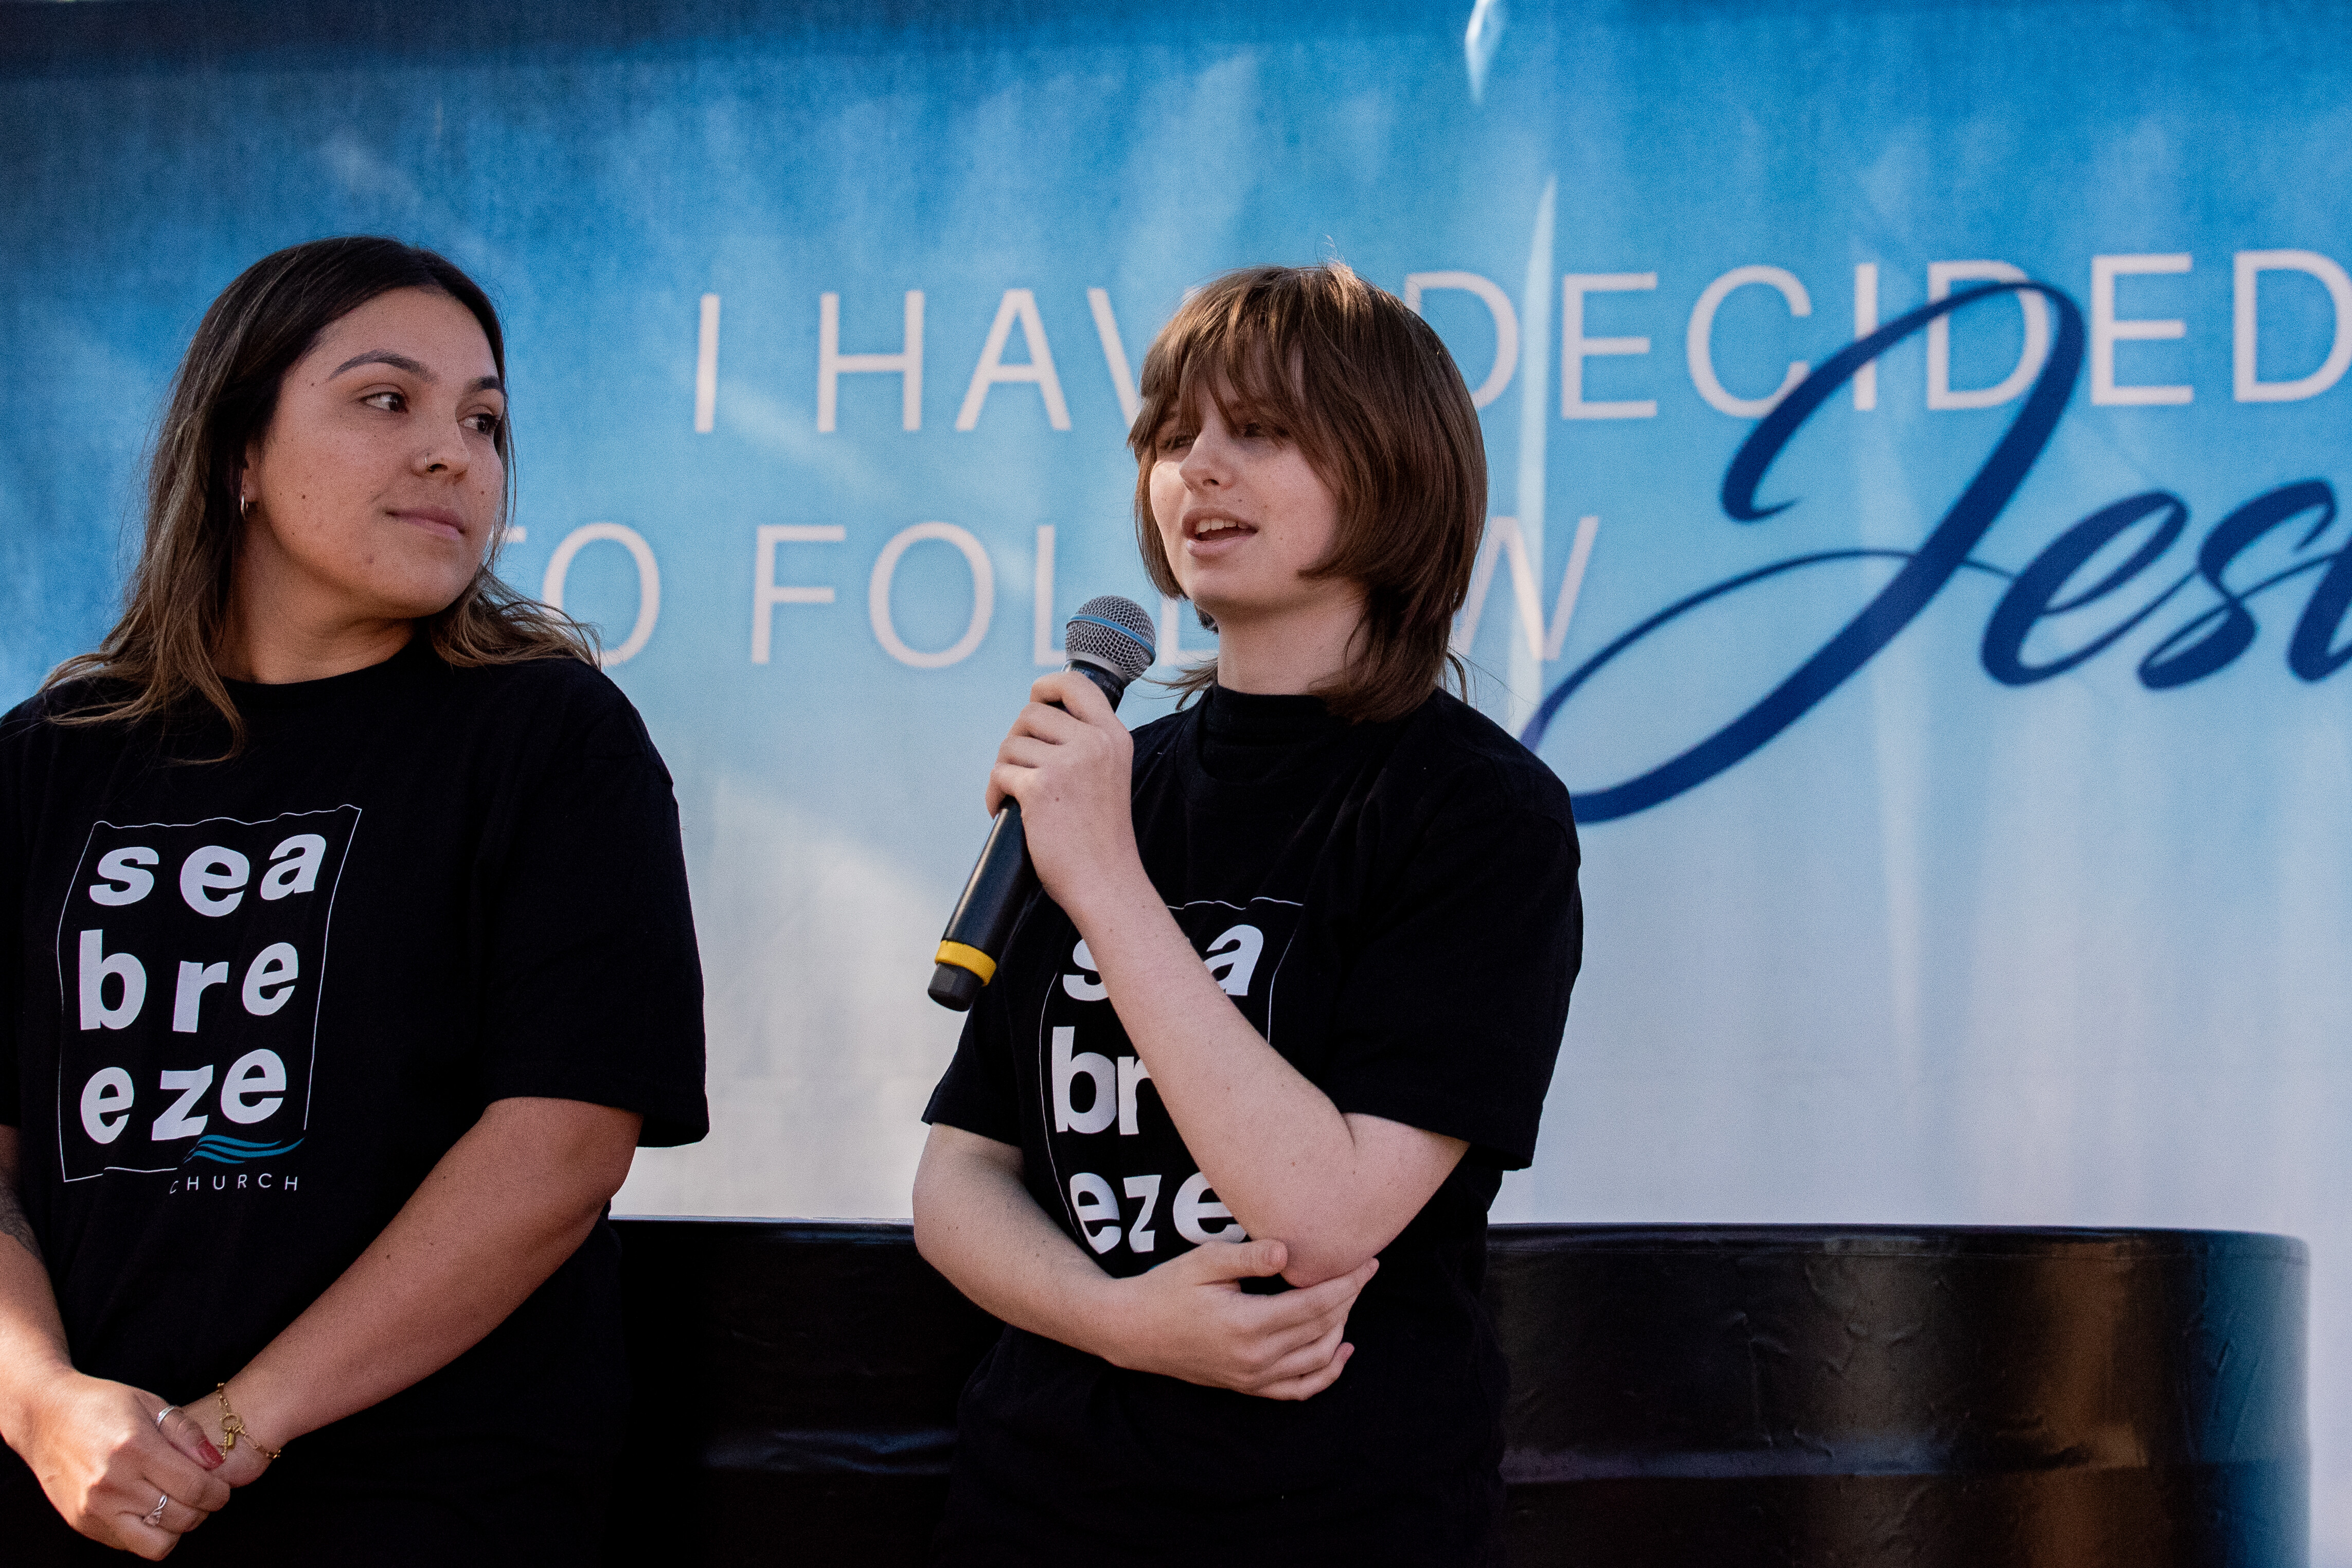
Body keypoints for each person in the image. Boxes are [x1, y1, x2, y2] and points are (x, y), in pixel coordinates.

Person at [0, 237, 707, 1562]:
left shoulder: (552, 739)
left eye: (484, 422)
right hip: (70, 1498)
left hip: (425, 1503)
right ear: (238, 453)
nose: (453, 454)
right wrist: (42, 1403)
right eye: (388, 400)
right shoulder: (47, 762)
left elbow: (561, 1148)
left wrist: (229, 1430)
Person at [913, 261, 1583, 1563]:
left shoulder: (1477, 812)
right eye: (1174, 436)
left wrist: (1108, 883)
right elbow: (959, 1177)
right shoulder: (1108, 781)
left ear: (1395, 469)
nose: (1199, 468)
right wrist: (1121, 1324)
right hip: (1034, 1504)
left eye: (1261, 430)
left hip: (1335, 1513)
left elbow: (1324, 1214)